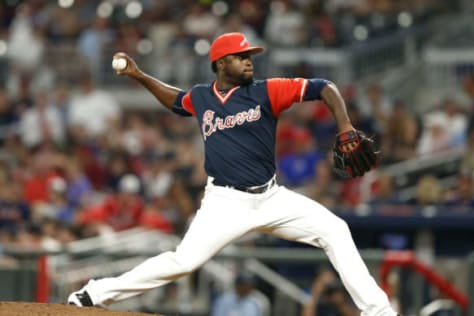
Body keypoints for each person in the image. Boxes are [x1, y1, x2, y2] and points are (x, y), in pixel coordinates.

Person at [68, 32, 399, 316]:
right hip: (224, 202)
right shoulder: (202, 96)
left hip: (271, 197)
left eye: (250, 55)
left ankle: (379, 311)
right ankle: (95, 293)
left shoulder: (267, 91)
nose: (249, 60)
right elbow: (176, 101)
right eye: (241, 56)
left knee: (335, 229)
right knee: (182, 262)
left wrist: (344, 125)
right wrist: (139, 75)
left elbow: (324, 86)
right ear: (220, 64)